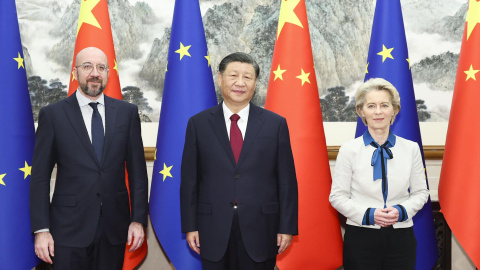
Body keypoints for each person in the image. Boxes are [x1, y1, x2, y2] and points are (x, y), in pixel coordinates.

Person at [29, 47, 148, 269]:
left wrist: (138, 220)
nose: (95, 73)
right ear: (75, 73)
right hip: (67, 230)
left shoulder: (127, 113)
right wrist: (41, 230)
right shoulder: (53, 115)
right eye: (87, 66)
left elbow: (138, 174)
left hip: (114, 228)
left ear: (108, 74)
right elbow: (39, 178)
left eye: (101, 67)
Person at [180, 52, 298, 269]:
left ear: (255, 83)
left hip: (262, 228)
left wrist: (287, 227)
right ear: (220, 79)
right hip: (212, 228)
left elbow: (287, 181)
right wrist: (190, 226)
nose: (240, 83)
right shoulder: (198, 124)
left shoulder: (275, 124)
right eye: (233, 75)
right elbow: (189, 180)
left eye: (248, 77)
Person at [329, 78, 429, 269]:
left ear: (395, 110)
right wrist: (369, 214)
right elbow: (337, 197)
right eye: (371, 106)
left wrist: (401, 211)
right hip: (360, 237)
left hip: (401, 238)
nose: (378, 111)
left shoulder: (411, 148)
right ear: (361, 111)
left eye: (384, 105)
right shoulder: (349, 150)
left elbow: (421, 193)